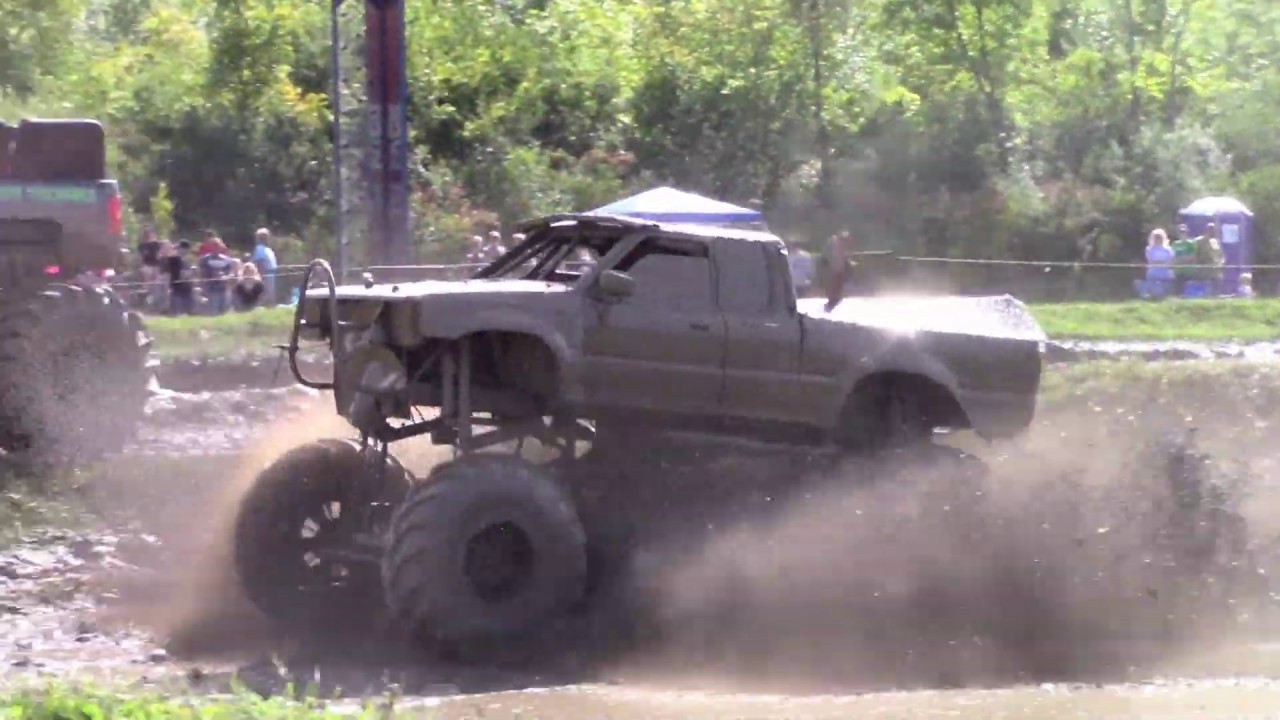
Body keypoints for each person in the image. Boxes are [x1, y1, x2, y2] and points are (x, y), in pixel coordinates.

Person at [1138, 228, 1175, 298]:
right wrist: (1163, 262)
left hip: (1165, 272)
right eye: (1156, 237)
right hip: (1153, 272)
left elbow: (1171, 260)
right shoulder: (1149, 249)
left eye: (1160, 237)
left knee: (1166, 288)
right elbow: (1151, 260)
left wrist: (1161, 262)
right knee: (1152, 288)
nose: (1158, 239)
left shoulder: (1168, 249)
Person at [198, 244, 234, 315]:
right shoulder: (205, 259)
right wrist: (211, 275)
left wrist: (225, 276)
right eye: (215, 246)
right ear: (212, 247)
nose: (217, 248)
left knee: (224, 309)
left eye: (219, 247)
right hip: (211, 287)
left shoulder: (227, 260)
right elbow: (202, 272)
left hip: (224, 287)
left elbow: (231, 272)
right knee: (214, 309)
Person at [164, 240, 195, 315]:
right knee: (175, 306)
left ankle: (186, 312)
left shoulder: (187, 260)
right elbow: (170, 272)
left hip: (186, 285)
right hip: (176, 285)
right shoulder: (173, 259)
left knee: (187, 306)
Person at [251, 228, 278, 305]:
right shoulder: (268, 249)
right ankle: (270, 305)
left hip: (265, 273)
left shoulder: (259, 249)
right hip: (271, 273)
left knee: (264, 292)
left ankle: (265, 305)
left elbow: (257, 261)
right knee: (270, 292)